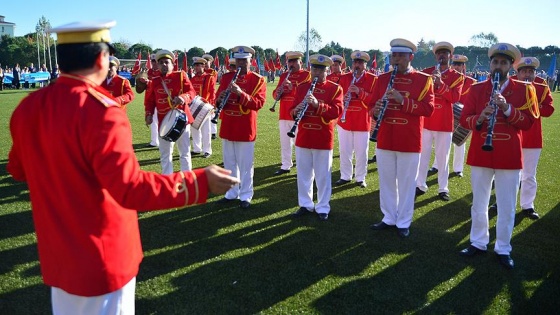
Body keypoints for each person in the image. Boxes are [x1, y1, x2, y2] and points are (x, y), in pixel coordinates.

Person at [7, 20, 239, 314]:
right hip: (103, 260)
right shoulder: (101, 111)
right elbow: (130, 189)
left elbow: (18, 169)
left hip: (57, 257)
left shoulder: (29, 107)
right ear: (101, 58)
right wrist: (199, 183)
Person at [458, 43, 538, 269]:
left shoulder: (524, 90)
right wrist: (481, 117)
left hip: (509, 155)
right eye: (495, 62)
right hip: (481, 152)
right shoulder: (476, 89)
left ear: (511, 66)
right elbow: (465, 120)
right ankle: (478, 241)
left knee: (506, 204)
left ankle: (503, 248)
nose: (498, 66)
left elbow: (528, 123)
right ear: (490, 64)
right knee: (479, 202)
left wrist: (507, 109)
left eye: (503, 62)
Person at [369, 38, 435, 238]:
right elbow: (371, 106)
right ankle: (389, 217)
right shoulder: (381, 79)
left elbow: (429, 109)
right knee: (387, 180)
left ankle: (404, 221)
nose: (396, 59)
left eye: (401, 56)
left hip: (409, 138)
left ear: (411, 57)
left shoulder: (424, 80)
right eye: (394, 55)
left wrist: (401, 100)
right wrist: (376, 111)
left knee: (407, 183)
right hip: (386, 137)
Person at [290, 54, 344, 221]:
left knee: (322, 175)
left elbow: (336, 112)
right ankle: (305, 204)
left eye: (320, 70)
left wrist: (316, 105)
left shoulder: (335, 89)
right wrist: (296, 110)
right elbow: (291, 111)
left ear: (327, 71)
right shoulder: (301, 87)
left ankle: (322, 207)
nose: (316, 73)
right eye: (314, 69)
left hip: (322, 136)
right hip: (304, 135)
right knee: (304, 174)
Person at [214, 46, 266, 209]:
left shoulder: (258, 80)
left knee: (245, 164)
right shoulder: (227, 77)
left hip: (245, 126)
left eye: (245, 60)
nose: (241, 63)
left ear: (251, 61)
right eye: (238, 60)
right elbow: (217, 98)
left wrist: (240, 93)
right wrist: (219, 99)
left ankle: (246, 195)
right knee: (229, 162)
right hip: (228, 124)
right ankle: (231, 192)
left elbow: (258, 103)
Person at [416, 42, 463, 201]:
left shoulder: (457, 77)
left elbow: (455, 98)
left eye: (445, 53)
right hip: (426, 121)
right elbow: (419, 95)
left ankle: (443, 188)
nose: (441, 56)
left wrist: (440, 84)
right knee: (422, 156)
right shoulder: (426, 73)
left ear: (450, 55)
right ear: (435, 56)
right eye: (439, 53)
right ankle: (420, 184)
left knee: (443, 158)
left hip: (444, 123)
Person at [511, 57, 554, 219]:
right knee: (509, 174)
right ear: (518, 73)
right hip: (513, 135)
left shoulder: (542, 86)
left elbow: (549, 110)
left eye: (531, 71)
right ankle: (504, 201)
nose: (527, 75)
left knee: (529, 174)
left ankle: (527, 205)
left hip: (532, 137)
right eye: (524, 71)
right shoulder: (510, 84)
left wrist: (534, 104)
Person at [145, 49, 197, 175]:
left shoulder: (180, 75)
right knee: (165, 154)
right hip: (164, 121)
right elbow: (150, 100)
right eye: (161, 62)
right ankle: (167, 179)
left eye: (167, 62)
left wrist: (183, 97)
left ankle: (187, 178)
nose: (164, 65)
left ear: (172, 64)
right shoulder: (155, 81)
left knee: (184, 152)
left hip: (181, 119)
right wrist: (149, 114)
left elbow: (192, 92)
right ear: (157, 65)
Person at [335, 51, 377, 188]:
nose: (357, 65)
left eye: (360, 63)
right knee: (344, 150)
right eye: (355, 63)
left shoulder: (372, 79)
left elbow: (374, 100)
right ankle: (345, 176)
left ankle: (360, 177)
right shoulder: (344, 78)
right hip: (345, 120)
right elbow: (336, 97)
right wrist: (343, 98)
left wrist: (360, 92)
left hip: (362, 120)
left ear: (365, 65)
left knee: (361, 152)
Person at [431, 54, 477, 177]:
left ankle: (458, 168)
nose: (456, 67)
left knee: (459, 143)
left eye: (459, 64)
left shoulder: (472, 82)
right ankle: (436, 165)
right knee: (441, 143)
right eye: (455, 64)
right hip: (446, 113)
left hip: (462, 114)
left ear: (464, 66)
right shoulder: (447, 78)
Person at [271, 51, 311, 176]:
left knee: (301, 142)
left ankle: (302, 165)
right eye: (290, 61)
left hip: (299, 113)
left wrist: (292, 87)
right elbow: (275, 95)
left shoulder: (307, 75)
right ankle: (285, 165)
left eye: (294, 61)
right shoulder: (283, 76)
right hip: (284, 113)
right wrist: (279, 91)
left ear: (300, 62)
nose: (292, 64)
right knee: (285, 142)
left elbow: (306, 94)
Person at [190, 56, 216, 158]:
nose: (196, 68)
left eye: (198, 65)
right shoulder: (192, 78)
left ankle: (207, 150)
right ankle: (196, 149)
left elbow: (212, 93)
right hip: (194, 106)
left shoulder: (209, 77)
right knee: (194, 128)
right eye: (195, 66)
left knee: (206, 130)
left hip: (205, 107)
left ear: (203, 66)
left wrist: (212, 106)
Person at [137, 54, 161, 148]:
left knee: (160, 121)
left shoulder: (162, 72)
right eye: (152, 61)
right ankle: (154, 141)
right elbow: (140, 89)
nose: (154, 63)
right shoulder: (148, 72)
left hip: (160, 100)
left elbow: (160, 84)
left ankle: (161, 140)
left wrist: (148, 82)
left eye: (155, 61)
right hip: (149, 100)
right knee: (152, 121)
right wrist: (139, 81)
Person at [202, 53, 219, 140]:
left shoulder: (213, 72)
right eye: (204, 62)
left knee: (212, 114)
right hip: (202, 95)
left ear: (211, 63)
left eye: (207, 62)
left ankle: (213, 132)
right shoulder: (202, 71)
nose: (205, 64)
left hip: (211, 95)